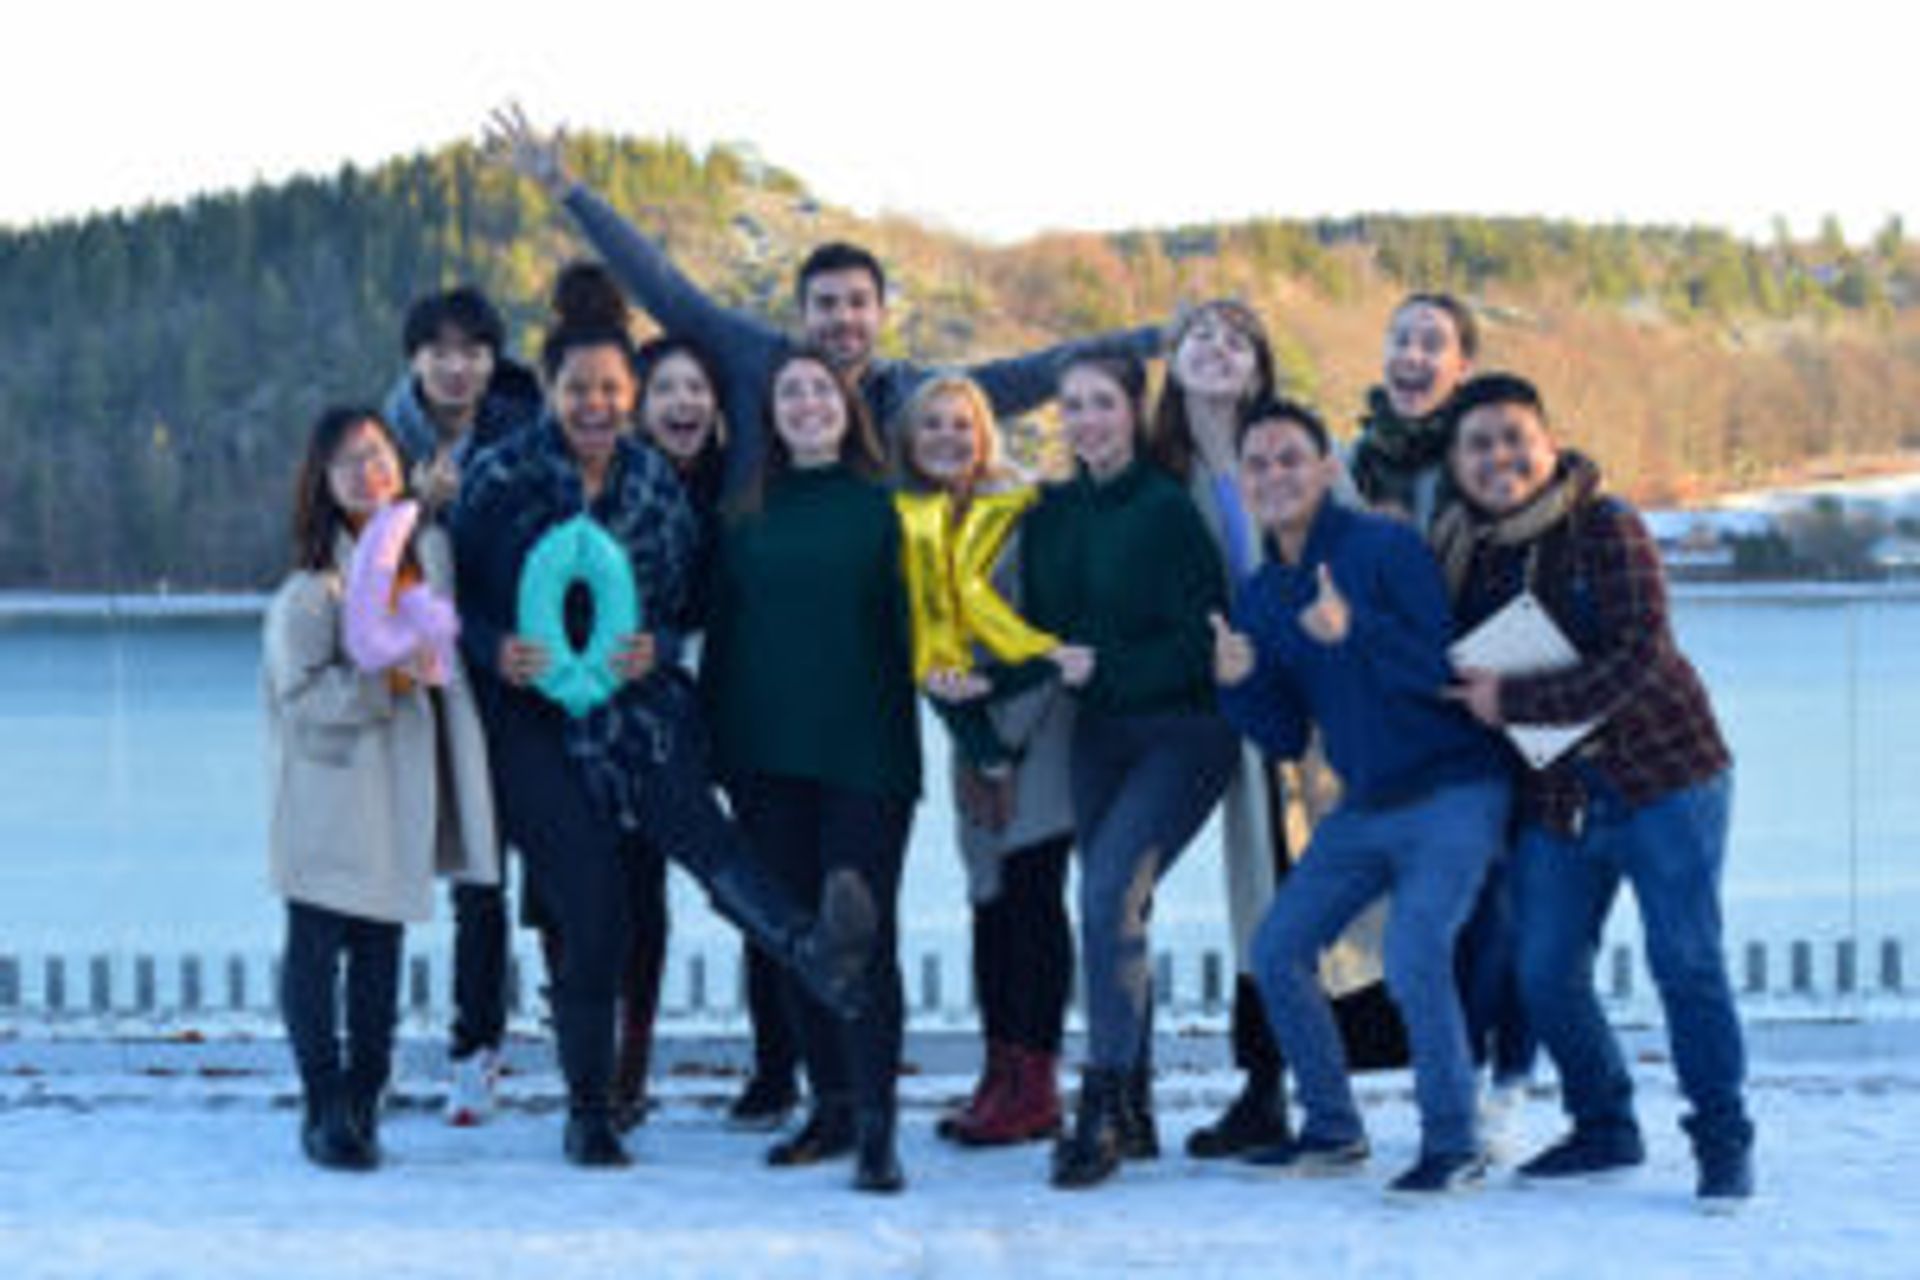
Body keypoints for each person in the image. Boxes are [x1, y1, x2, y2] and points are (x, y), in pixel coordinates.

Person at [449, 267, 875, 1168]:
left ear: (630, 394)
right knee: (596, 911)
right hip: (534, 721)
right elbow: (454, 599)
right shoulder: (501, 476)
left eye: (611, 389)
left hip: (637, 706)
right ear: (552, 391)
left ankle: (813, 946)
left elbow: (686, 597)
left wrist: (658, 641)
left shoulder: (657, 487)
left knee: (711, 839)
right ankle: (589, 1110)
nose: (596, 405)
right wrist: (495, 650)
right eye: (578, 389)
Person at [1434, 373, 1753, 1209]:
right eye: (1478, 444)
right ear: (1458, 464)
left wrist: (1515, 702)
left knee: (1685, 962)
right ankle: (1604, 1124)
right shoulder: (1464, 553)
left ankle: (1723, 1142)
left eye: (1514, 437)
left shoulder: (1606, 526)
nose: (1499, 456)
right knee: (1544, 972)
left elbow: (1640, 654)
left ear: (1547, 442)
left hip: (1665, 778)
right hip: (1560, 797)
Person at [481, 104, 1163, 493]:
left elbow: (1033, 373)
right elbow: (666, 287)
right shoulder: (757, 358)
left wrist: (1157, 341)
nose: (842, 319)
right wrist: (569, 192)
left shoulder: (910, 395)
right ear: (802, 314)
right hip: (750, 592)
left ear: (880, 314)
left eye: (857, 303)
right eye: (827, 304)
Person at [1216, 395, 1511, 1196]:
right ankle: (1333, 1128)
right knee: (1277, 949)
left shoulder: (1386, 547)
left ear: (1327, 469)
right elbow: (1282, 734)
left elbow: (1443, 670)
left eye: (1289, 459)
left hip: (1455, 787)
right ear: (1240, 481)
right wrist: (1239, 687)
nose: (1274, 475)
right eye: (1257, 463)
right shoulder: (1261, 591)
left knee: (1415, 952)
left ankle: (1456, 1143)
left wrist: (1357, 633)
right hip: (1366, 805)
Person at [993, 352, 1239, 1189]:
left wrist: (1110, 671)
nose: (1086, 419)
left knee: (1105, 893)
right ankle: (1135, 1106)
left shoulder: (1167, 511)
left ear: (1135, 412)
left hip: (1185, 733)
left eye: (1103, 403)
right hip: (1098, 735)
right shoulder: (1052, 513)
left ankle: (1098, 1106)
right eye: (1073, 405)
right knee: (1117, 907)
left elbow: (1202, 640)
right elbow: (1031, 625)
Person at [700, 348, 921, 1193]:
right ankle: (827, 1107)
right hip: (764, 754)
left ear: (847, 406)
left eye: (819, 390)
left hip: (865, 752)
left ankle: (875, 1126)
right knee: (797, 938)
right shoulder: (745, 512)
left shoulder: (888, 510)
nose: (804, 403)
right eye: (788, 392)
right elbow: (724, 638)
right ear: (771, 414)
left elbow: (925, 631)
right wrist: (719, 753)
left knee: (863, 934)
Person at [264, 407, 500, 1170]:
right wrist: (375, 682)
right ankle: (323, 1099)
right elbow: (297, 700)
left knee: (379, 949)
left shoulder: (426, 550)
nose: (368, 472)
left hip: (401, 780)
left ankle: (365, 1099)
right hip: (329, 788)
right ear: (323, 483)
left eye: (378, 455)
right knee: (316, 946)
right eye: (347, 463)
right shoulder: (311, 586)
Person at [378, 284, 543, 1130]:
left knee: (493, 874)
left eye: (472, 351)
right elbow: (356, 565)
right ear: (413, 360)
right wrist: (416, 511)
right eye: (438, 351)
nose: (456, 367)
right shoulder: (382, 442)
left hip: (515, 674)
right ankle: (372, 1049)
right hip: (415, 685)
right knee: (402, 866)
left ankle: (479, 1051)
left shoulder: (528, 428)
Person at [903, 374, 1075, 1147]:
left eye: (962, 425)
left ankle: (1037, 1084)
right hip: (973, 738)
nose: (948, 437)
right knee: (988, 901)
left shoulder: (1025, 516)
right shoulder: (915, 527)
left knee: (1033, 896)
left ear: (986, 436)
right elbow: (923, 655)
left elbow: (1050, 635)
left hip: (1039, 729)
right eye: (931, 425)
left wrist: (1005, 750)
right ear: (910, 441)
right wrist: (976, 748)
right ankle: (998, 1070)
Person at [1146, 299, 1295, 1157]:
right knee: (1254, 896)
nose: (1216, 348)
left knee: (1297, 888)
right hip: (1200, 705)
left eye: (1237, 340)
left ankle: (1293, 1083)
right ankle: (1264, 1086)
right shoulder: (1160, 470)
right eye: (1200, 334)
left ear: (1260, 368)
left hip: (1298, 702)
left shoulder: (1293, 449)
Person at [1345, 292, 1479, 529]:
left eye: (1431, 345)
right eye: (1401, 341)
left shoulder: (1478, 460)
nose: (1411, 356)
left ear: (1464, 368)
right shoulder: (1355, 459)